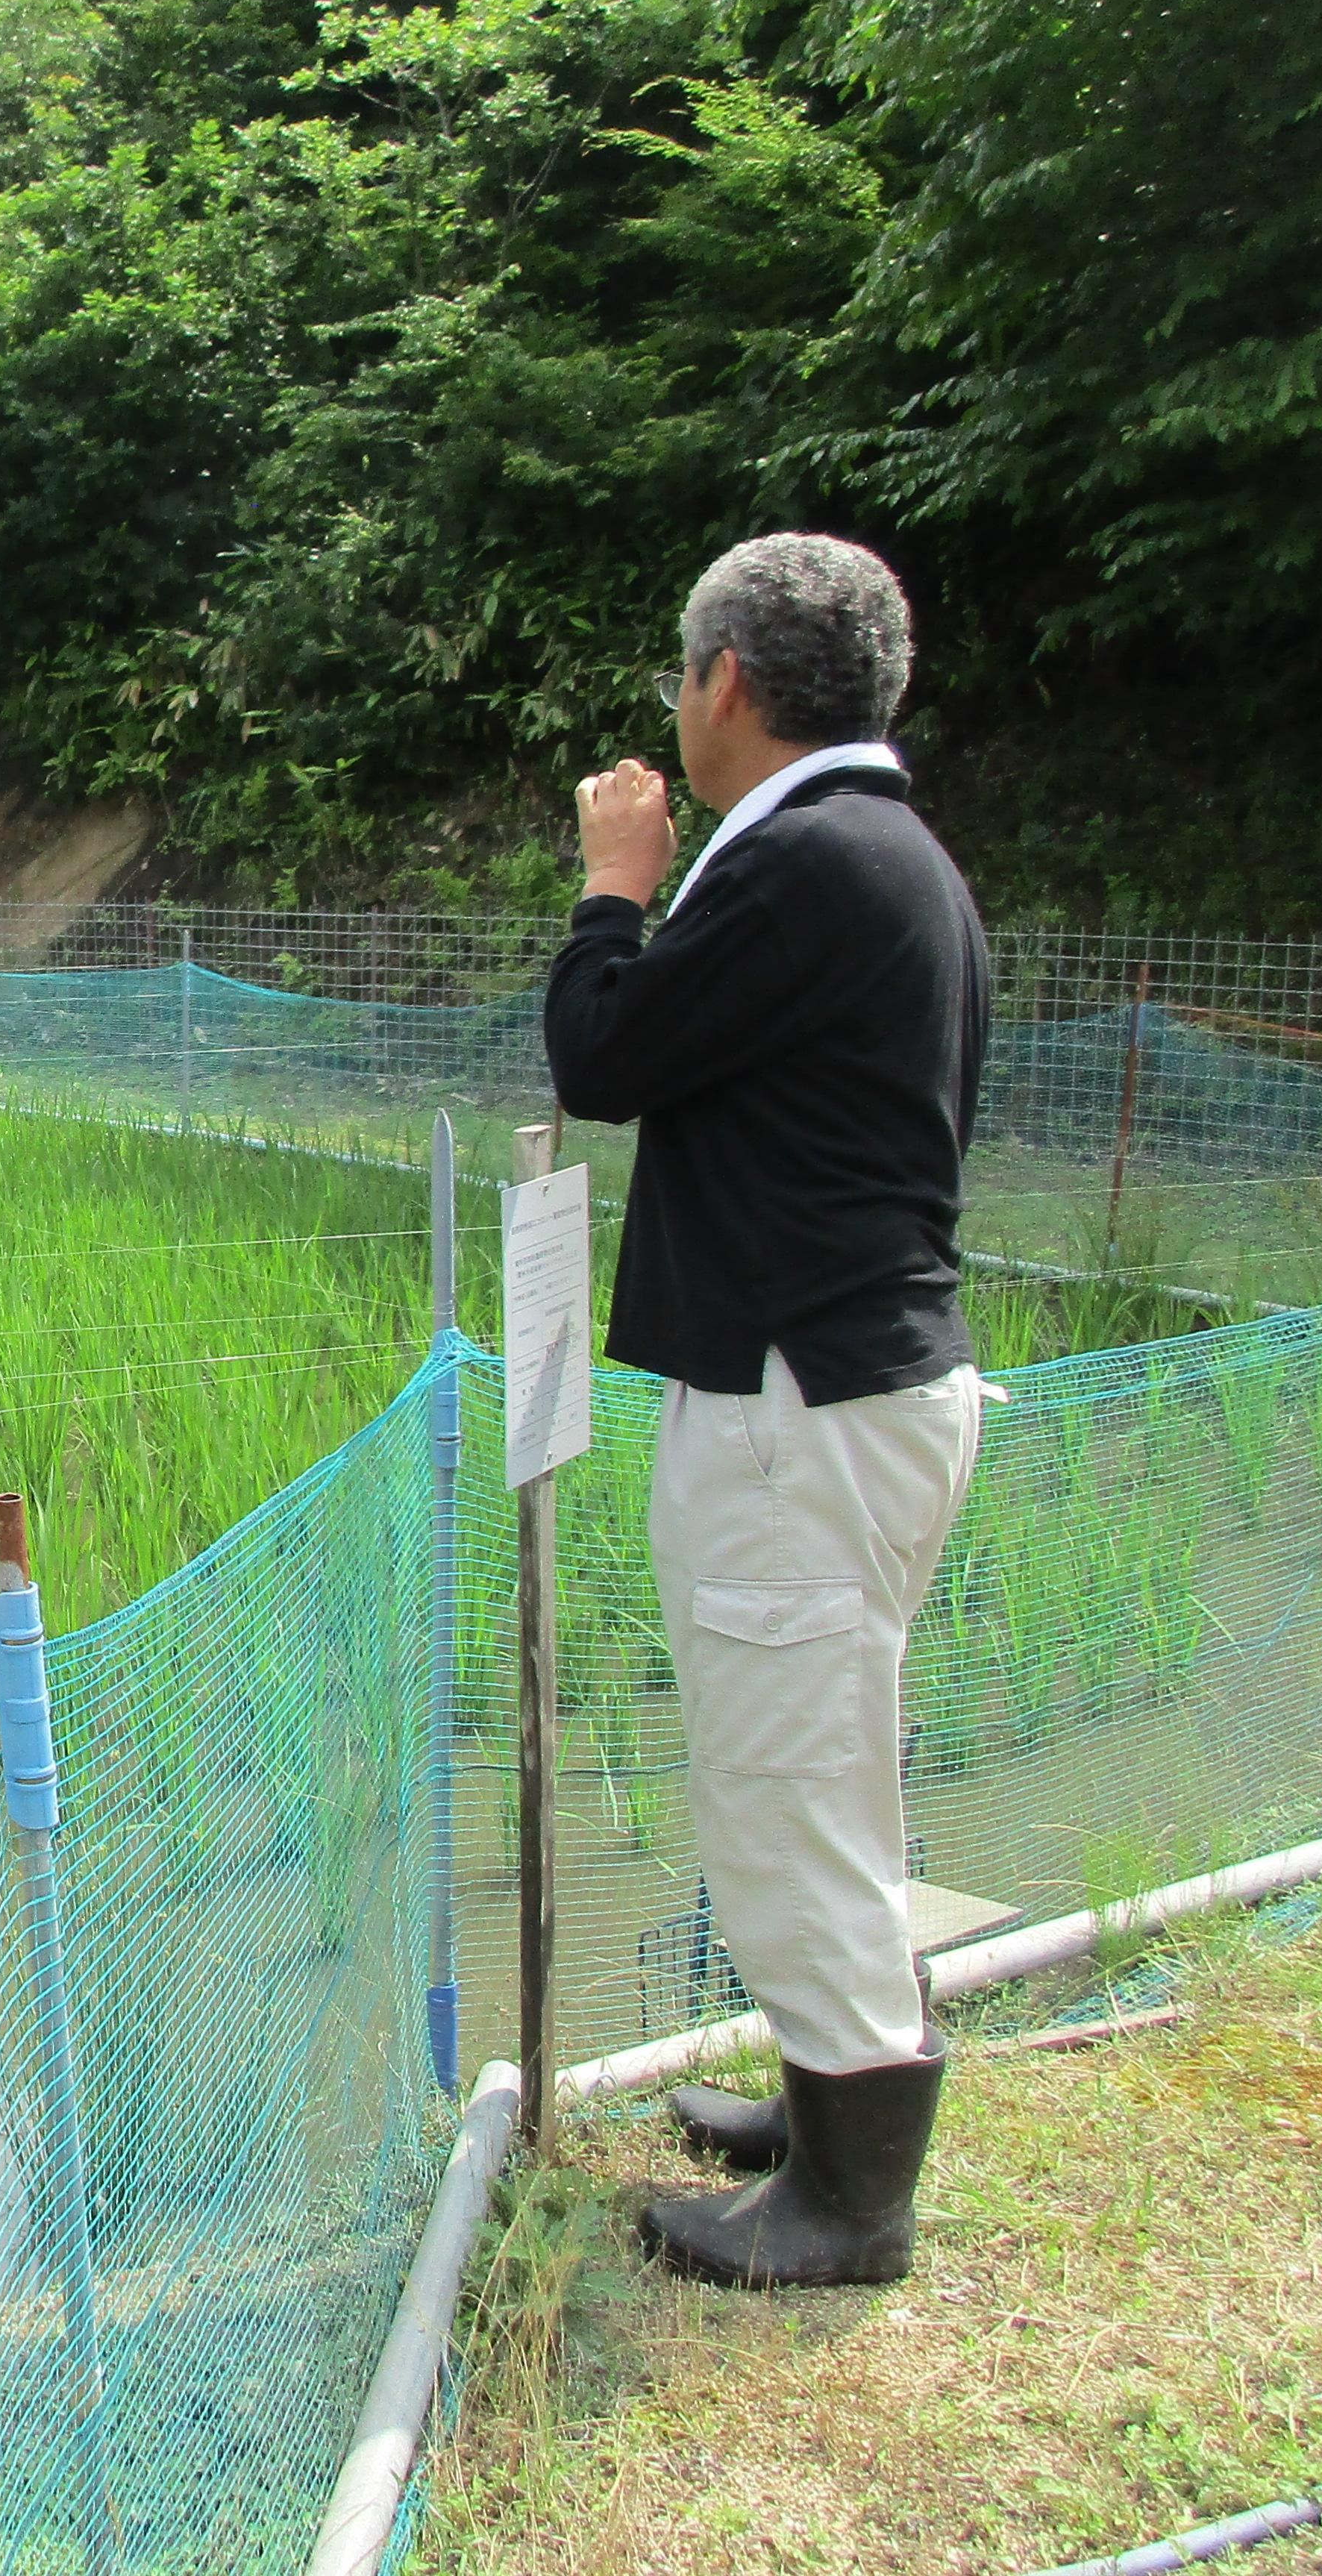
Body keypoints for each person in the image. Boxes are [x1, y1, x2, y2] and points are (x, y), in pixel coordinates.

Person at [542, 531, 990, 2291]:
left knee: (788, 1791)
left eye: (682, 675)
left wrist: (609, 886)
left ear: (726, 682)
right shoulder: (896, 860)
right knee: (817, 1775)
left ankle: (847, 2206)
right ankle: (822, 2119)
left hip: (798, 1409)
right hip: (853, 1391)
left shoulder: (797, 861)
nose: (675, 706)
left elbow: (602, 1055)